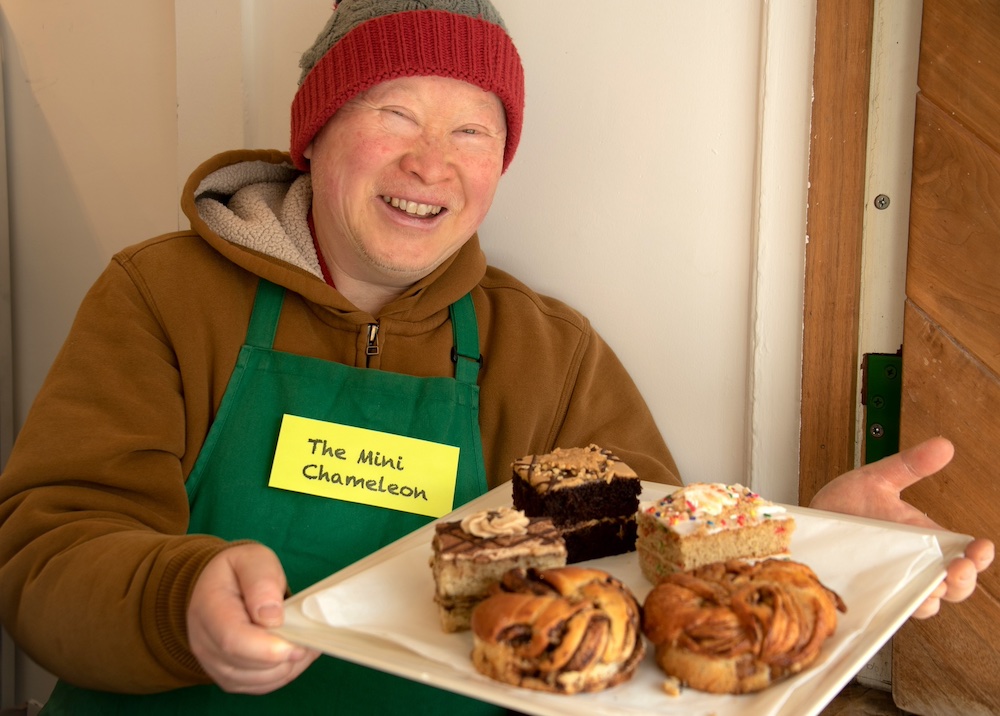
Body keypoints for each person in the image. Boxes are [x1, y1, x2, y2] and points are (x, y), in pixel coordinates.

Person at [0, 0, 991, 713]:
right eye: (393, 113)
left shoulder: (543, 351)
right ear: (315, 131)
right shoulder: (163, 297)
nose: (431, 162)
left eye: (471, 129)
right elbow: (44, 558)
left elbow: (643, 565)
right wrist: (179, 600)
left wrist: (823, 544)